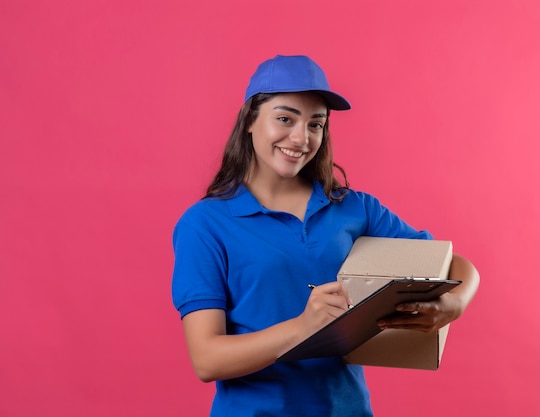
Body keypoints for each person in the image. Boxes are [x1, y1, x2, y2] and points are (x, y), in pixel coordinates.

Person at [171, 55, 480, 417]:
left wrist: (454, 305)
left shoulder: (353, 209)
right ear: (250, 121)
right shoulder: (205, 224)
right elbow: (207, 360)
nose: (301, 138)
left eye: (316, 124)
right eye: (285, 118)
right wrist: (303, 327)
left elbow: (456, 264)